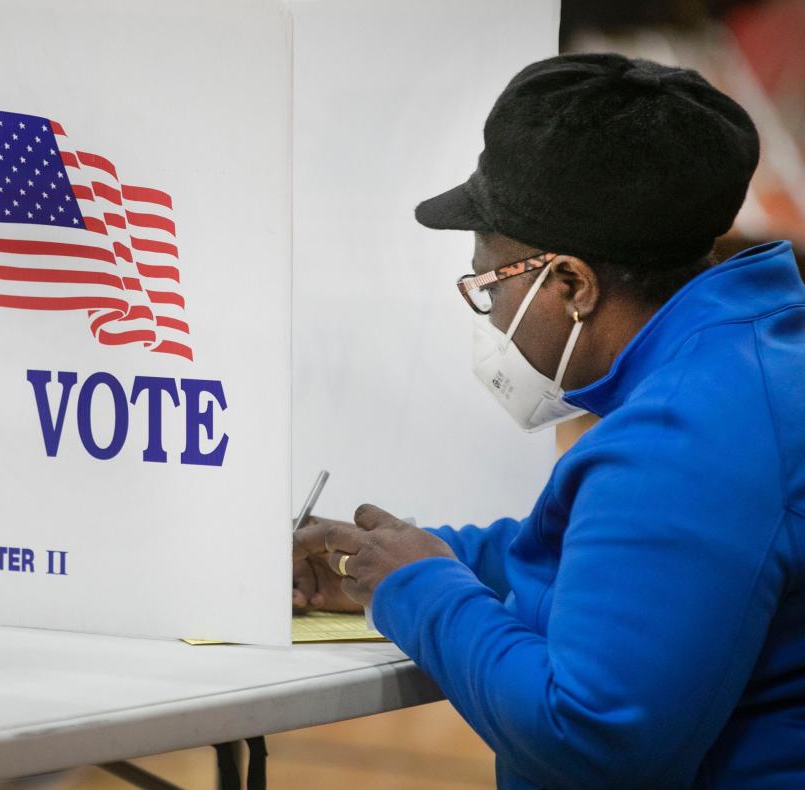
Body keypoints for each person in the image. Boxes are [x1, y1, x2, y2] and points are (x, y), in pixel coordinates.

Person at [292, 53, 805, 789]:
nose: (488, 314)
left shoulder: (682, 440)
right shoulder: (752, 352)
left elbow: (590, 743)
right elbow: (617, 570)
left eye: (486, 283)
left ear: (571, 285)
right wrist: (402, 560)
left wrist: (422, 592)